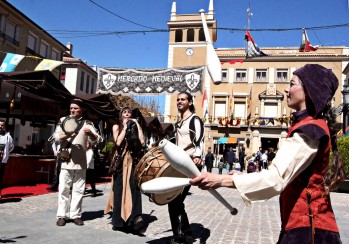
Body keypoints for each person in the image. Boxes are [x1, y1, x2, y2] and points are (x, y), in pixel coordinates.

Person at [190, 64, 345, 243]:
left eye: (292, 84)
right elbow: (286, 174)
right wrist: (244, 176)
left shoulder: (310, 130)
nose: (286, 89)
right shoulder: (308, 125)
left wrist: (220, 180)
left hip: (309, 229)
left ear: (308, 91)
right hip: (303, 225)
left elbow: (276, 178)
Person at [54, 99, 102, 227]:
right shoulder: (64, 120)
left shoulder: (87, 123)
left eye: (75, 108)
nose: (72, 110)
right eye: (71, 108)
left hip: (81, 161)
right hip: (66, 160)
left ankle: (75, 215)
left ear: (82, 110)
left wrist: (90, 134)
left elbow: (97, 139)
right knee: (64, 188)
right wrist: (70, 133)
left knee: (79, 189)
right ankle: (61, 215)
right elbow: (57, 137)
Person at [168, 91, 204, 244]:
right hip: (178, 165)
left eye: (183, 99)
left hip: (190, 164)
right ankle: (185, 233)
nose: (179, 102)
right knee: (174, 200)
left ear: (190, 102)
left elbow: (200, 138)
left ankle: (180, 235)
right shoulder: (179, 122)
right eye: (178, 100)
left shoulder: (194, 119)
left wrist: (197, 155)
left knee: (175, 200)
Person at [111, 107, 145, 234]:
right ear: (121, 115)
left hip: (133, 160)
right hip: (120, 161)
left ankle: (136, 218)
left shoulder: (135, 126)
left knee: (135, 188)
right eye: (124, 112)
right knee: (119, 189)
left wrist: (137, 125)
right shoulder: (117, 126)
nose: (127, 114)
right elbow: (118, 142)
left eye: (129, 112)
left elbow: (142, 141)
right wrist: (125, 127)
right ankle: (118, 221)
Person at [0, 120, 14, 199]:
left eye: (2, 125)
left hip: (2, 160)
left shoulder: (8, 136)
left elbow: (11, 147)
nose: (0, 126)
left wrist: (6, 153)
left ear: (4, 126)